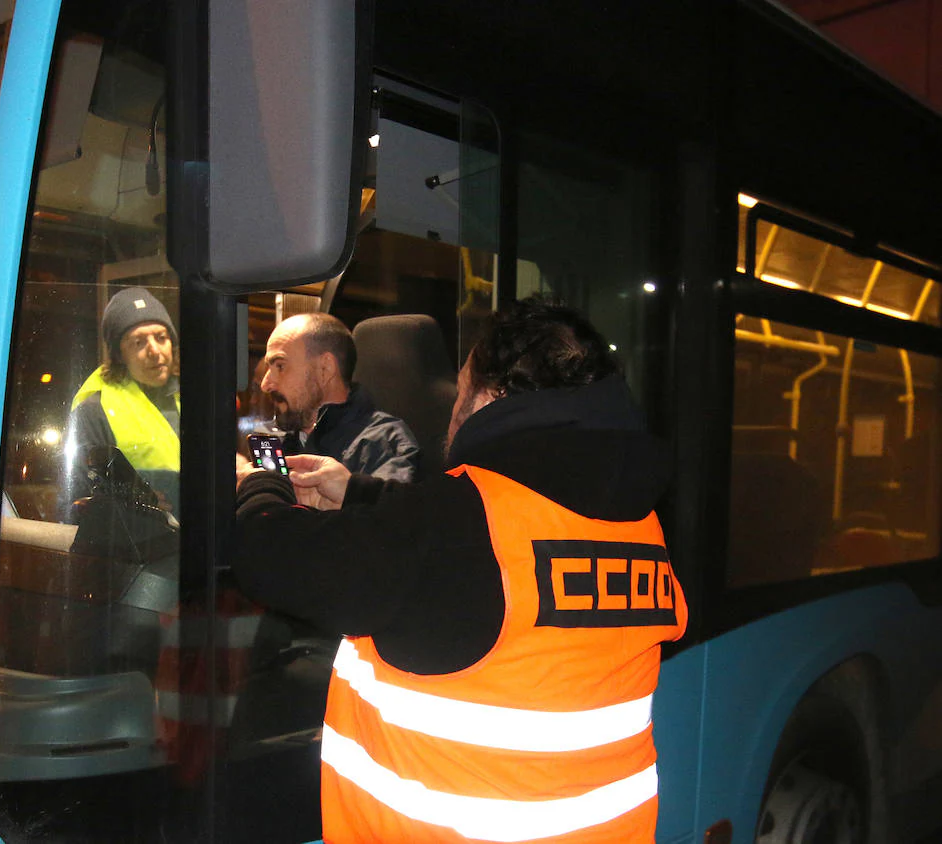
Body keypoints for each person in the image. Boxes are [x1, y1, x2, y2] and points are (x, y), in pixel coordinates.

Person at [232, 296, 688, 843]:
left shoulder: (457, 522)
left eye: (462, 386)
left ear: (492, 396)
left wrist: (255, 486)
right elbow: (469, 555)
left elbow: (277, 559)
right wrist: (356, 491)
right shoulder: (638, 522)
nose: (451, 406)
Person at [259, 312, 419, 481]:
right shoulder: (274, 439)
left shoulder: (385, 443)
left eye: (280, 366)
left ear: (325, 369)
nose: (265, 384)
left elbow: (389, 506)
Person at [66, 287, 179, 511]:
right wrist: (128, 504)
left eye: (161, 337)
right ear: (119, 355)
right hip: (137, 542)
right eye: (138, 342)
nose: (155, 351)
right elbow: (74, 500)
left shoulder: (186, 395)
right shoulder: (94, 411)